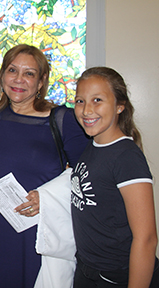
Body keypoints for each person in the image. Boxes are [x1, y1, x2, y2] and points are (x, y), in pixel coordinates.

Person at [0, 44, 89, 288]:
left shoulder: (62, 119)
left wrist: (49, 198)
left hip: (42, 231)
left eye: (29, 73)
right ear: (2, 77)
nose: (19, 79)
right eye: (12, 70)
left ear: (41, 82)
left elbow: (89, 175)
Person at [71, 66, 158, 288]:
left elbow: (146, 239)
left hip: (115, 275)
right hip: (87, 269)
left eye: (97, 100)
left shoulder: (126, 157)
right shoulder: (93, 146)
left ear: (120, 106)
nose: (86, 110)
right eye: (80, 101)